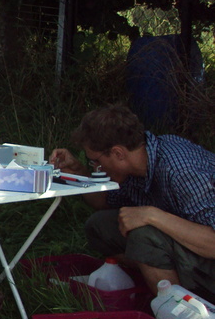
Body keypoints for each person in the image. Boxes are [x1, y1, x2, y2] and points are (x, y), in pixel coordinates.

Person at [50, 104, 215, 302]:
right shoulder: (137, 164)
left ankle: (179, 312)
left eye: (94, 160)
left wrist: (152, 215)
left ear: (118, 153)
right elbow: (103, 202)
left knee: (143, 236)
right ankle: (157, 284)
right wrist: (78, 172)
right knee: (100, 225)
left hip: (208, 254)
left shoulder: (181, 171)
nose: (94, 166)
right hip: (182, 243)